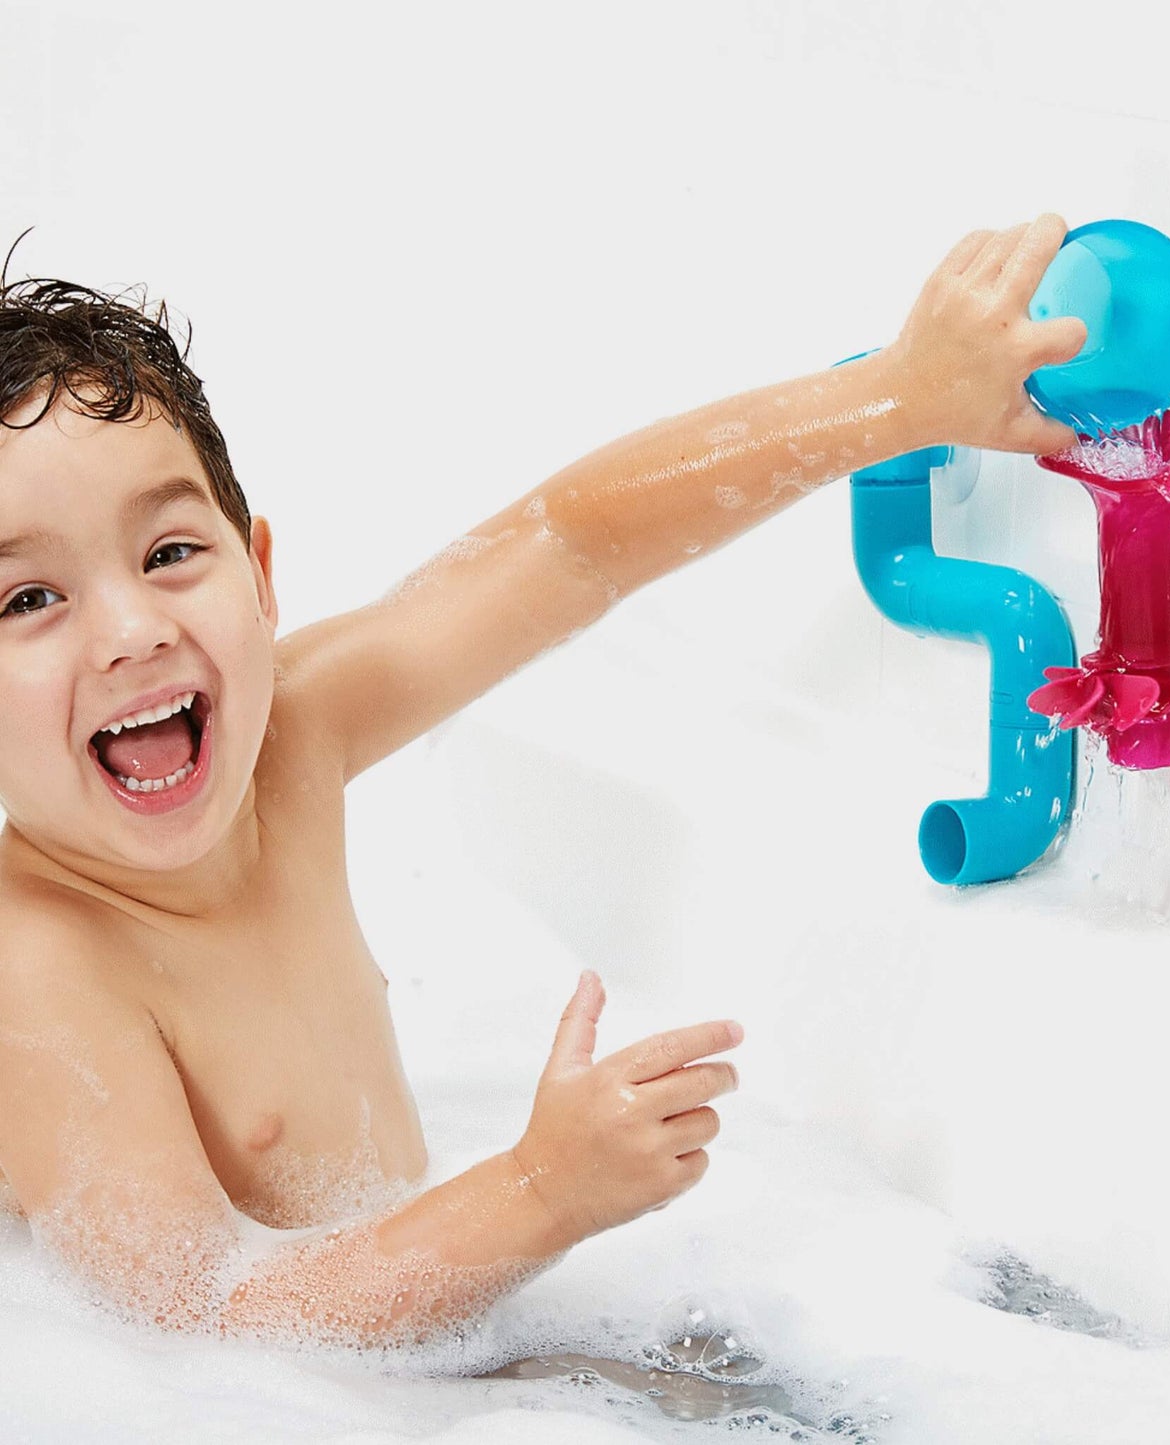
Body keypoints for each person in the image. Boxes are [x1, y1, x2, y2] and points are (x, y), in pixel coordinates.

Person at [0, 215, 1086, 1347]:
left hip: (409, 1363)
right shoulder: (38, 970)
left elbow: (570, 543)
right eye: (29, 599)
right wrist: (535, 1193)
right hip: (294, 1394)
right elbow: (207, 1327)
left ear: (259, 576)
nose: (131, 631)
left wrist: (895, 400)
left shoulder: (291, 734)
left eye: (170, 552)